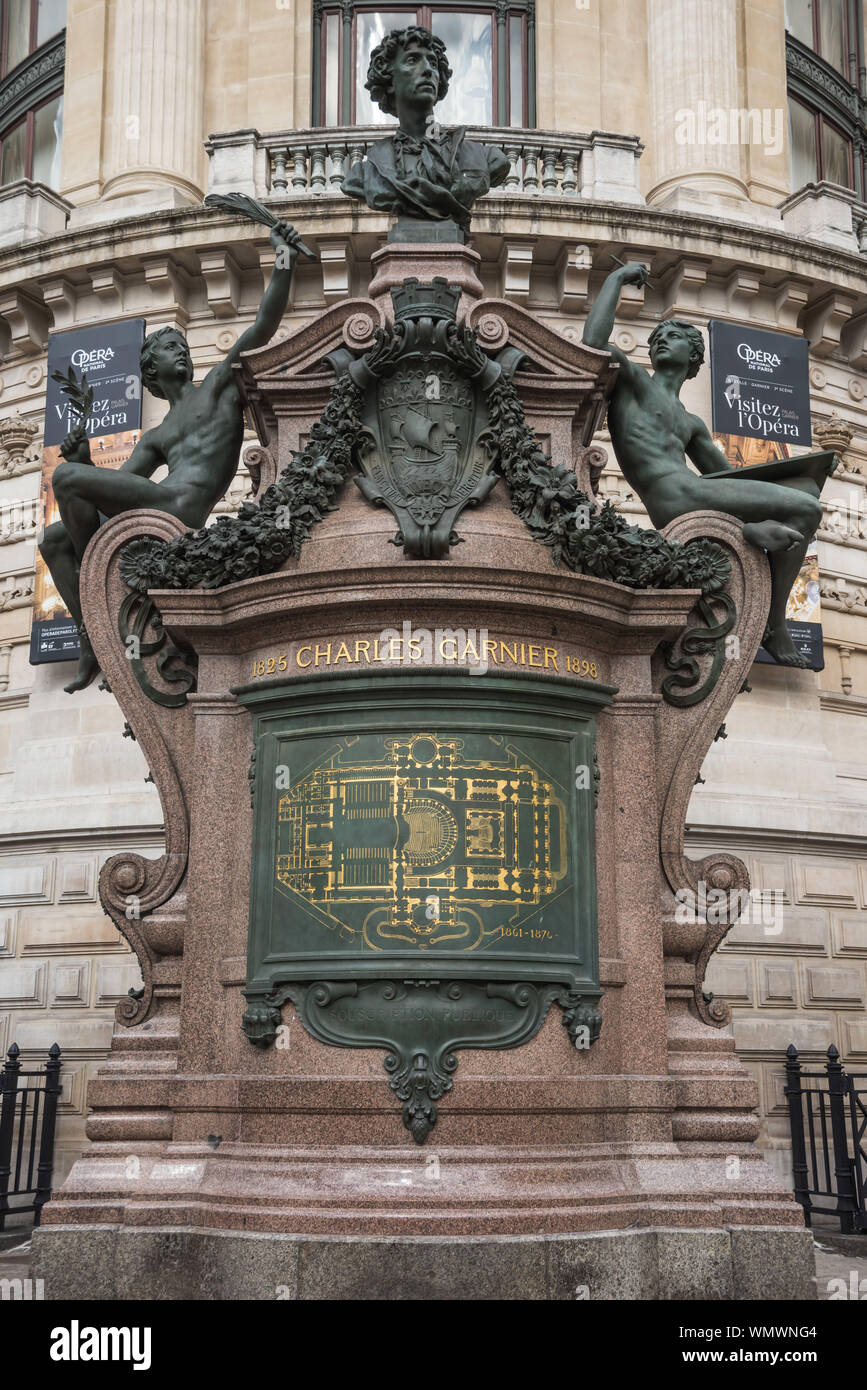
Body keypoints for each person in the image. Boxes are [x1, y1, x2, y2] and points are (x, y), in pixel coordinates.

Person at [40, 219, 304, 693]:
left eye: (181, 345)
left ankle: (97, 590)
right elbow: (108, 498)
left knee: (67, 481)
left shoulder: (220, 385)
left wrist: (282, 258)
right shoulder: (157, 433)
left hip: (182, 508)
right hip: (158, 500)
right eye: (167, 348)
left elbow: (263, 325)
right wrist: (85, 460)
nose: (179, 350)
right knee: (54, 538)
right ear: (151, 372)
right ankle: (90, 633)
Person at [582, 262, 822, 668]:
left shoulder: (691, 423)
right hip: (677, 496)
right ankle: (774, 621)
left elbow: (731, 478)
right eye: (657, 336)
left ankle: (747, 535)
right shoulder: (635, 383)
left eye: (673, 336)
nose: (661, 340)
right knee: (806, 508)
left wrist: (803, 473)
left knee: (807, 494)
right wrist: (616, 279)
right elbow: (593, 342)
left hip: (695, 492)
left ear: (693, 357)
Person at [341, 25, 509, 237]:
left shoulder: (481, 157)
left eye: (432, 62)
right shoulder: (368, 172)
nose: (429, 69)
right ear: (389, 79)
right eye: (413, 60)